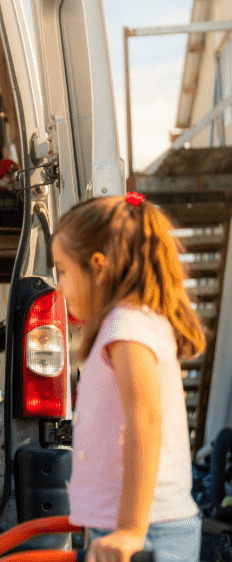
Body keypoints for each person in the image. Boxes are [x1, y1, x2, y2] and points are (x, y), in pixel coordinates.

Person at [52, 192, 204, 562]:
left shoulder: (128, 326)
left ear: (98, 267)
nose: (59, 287)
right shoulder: (126, 324)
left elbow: (146, 418)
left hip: (147, 531)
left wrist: (131, 529)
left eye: (63, 271)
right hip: (128, 526)